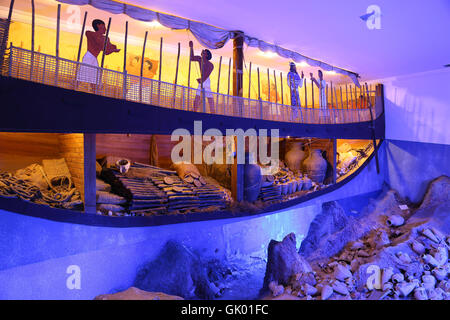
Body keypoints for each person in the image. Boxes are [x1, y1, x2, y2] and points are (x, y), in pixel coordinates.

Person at [76, 19, 120, 92]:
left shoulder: (105, 38)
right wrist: (105, 43)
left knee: (95, 78)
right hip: (89, 57)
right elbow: (98, 42)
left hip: (94, 59)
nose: (105, 29)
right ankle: (74, 88)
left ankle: (95, 92)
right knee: (82, 76)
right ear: (98, 25)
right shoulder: (90, 34)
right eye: (104, 26)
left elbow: (106, 52)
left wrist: (112, 49)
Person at [189, 40, 215, 113]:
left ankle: (212, 112)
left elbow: (206, 75)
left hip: (206, 80)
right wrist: (191, 47)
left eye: (204, 52)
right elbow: (191, 58)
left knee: (208, 97)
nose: (202, 52)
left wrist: (202, 80)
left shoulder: (210, 65)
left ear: (206, 55)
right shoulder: (199, 59)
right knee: (198, 96)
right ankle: (195, 110)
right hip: (203, 79)